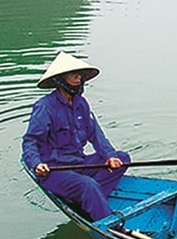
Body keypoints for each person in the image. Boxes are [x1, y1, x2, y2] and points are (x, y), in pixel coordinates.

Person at [23, 51, 131, 221]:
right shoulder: (45, 107)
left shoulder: (82, 104)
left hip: (78, 163)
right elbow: (30, 141)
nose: (78, 79)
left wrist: (110, 156)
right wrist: (36, 164)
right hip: (54, 170)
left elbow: (97, 136)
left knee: (122, 158)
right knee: (88, 185)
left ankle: (88, 200)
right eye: (73, 75)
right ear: (60, 80)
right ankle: (109, 224)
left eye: (79, 75)